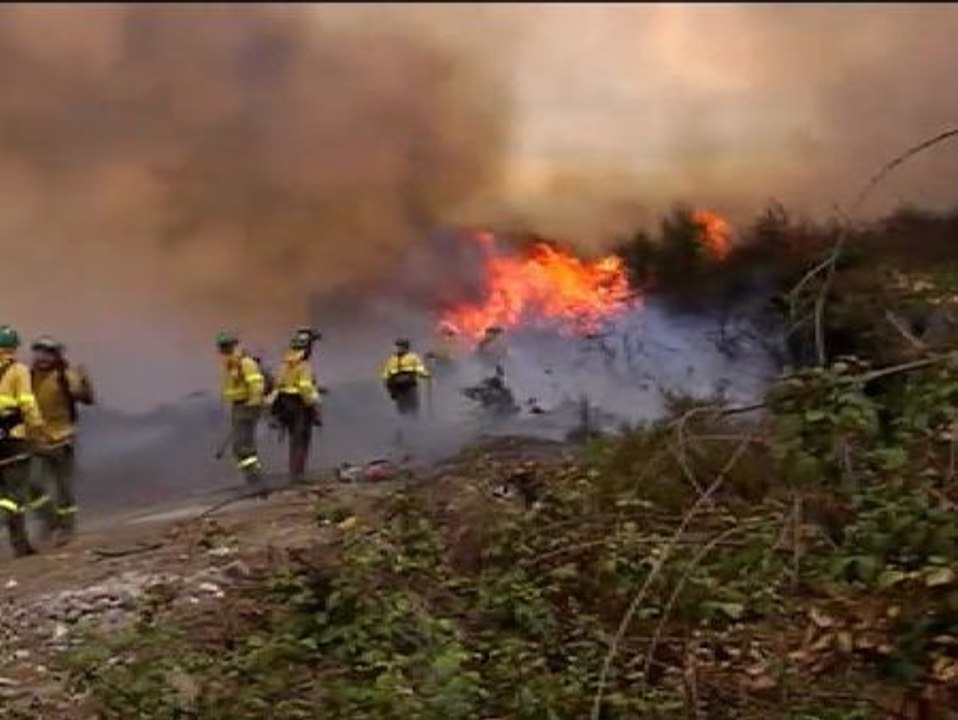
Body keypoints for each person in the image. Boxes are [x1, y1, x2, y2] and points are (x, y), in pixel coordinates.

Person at [28, 335, 94, 545]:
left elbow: (86, 398)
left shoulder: (65, 377)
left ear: (56, 355)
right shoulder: (28, 377)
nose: (42, 358)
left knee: (64, 487)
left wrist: (85, 383)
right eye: (39, 353)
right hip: (37, 440)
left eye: (47, 353)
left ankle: (66, 528)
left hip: (62, 438)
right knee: (33, 484)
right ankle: (50, 520)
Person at [0, 325, 48, 557]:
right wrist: (38, 429)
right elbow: (28, 404)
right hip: (15, 439)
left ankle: (19, 542)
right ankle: (20, 545)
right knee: (15, 493)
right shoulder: (19, 371)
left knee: (4, 493)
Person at [216, 331, 267, 496]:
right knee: (242, 446)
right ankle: (254, 480)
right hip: (239, 407)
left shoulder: (245, 363)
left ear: (234, 345)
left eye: (226, 346)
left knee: (242, 446)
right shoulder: (232, 364)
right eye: (222, 347)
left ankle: (256, 482)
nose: (223, 350)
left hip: (246, 406)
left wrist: (253, 403)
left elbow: (257, 385)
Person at [271, 331, 321, 484]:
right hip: (299, 405)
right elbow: (305, 387)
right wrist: (314, 404)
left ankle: (293, 472)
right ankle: (298, 475)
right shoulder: (304, 366)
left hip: (285, 404)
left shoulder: (284, 364)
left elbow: (278, 384)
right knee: (302, 439)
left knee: (294, 439)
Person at [381, 338, 430, 416]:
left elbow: (419, 368)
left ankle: (414, 420)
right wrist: (387, 381)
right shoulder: (392, 359)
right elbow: (386, 372)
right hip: (397, 385)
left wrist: (426, 374)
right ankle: (404, 423)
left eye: (400, 347)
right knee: (401, 407)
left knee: (413, 405)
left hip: (409, 383)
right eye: (397, 347)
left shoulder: (412, 357)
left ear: (406, 347)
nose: (398, 349)